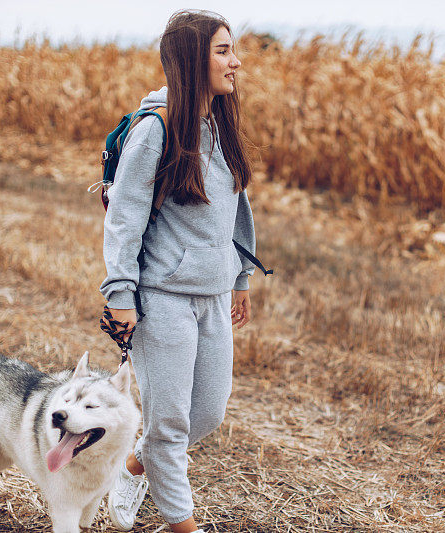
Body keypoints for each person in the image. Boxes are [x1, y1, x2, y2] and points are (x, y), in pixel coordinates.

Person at [98, 9, 257, 533]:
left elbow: (237, 208)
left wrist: (239, 277)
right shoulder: (156, 128)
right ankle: (180, 524)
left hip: (212, 294)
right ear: (192, 59)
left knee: (206, 414)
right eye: (223, 51)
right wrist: (120, 292)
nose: (236, 62)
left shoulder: (219, 124)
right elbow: (124, 215)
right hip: (163, 296)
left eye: (232, 50)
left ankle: (133, 464)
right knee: (170, 425)